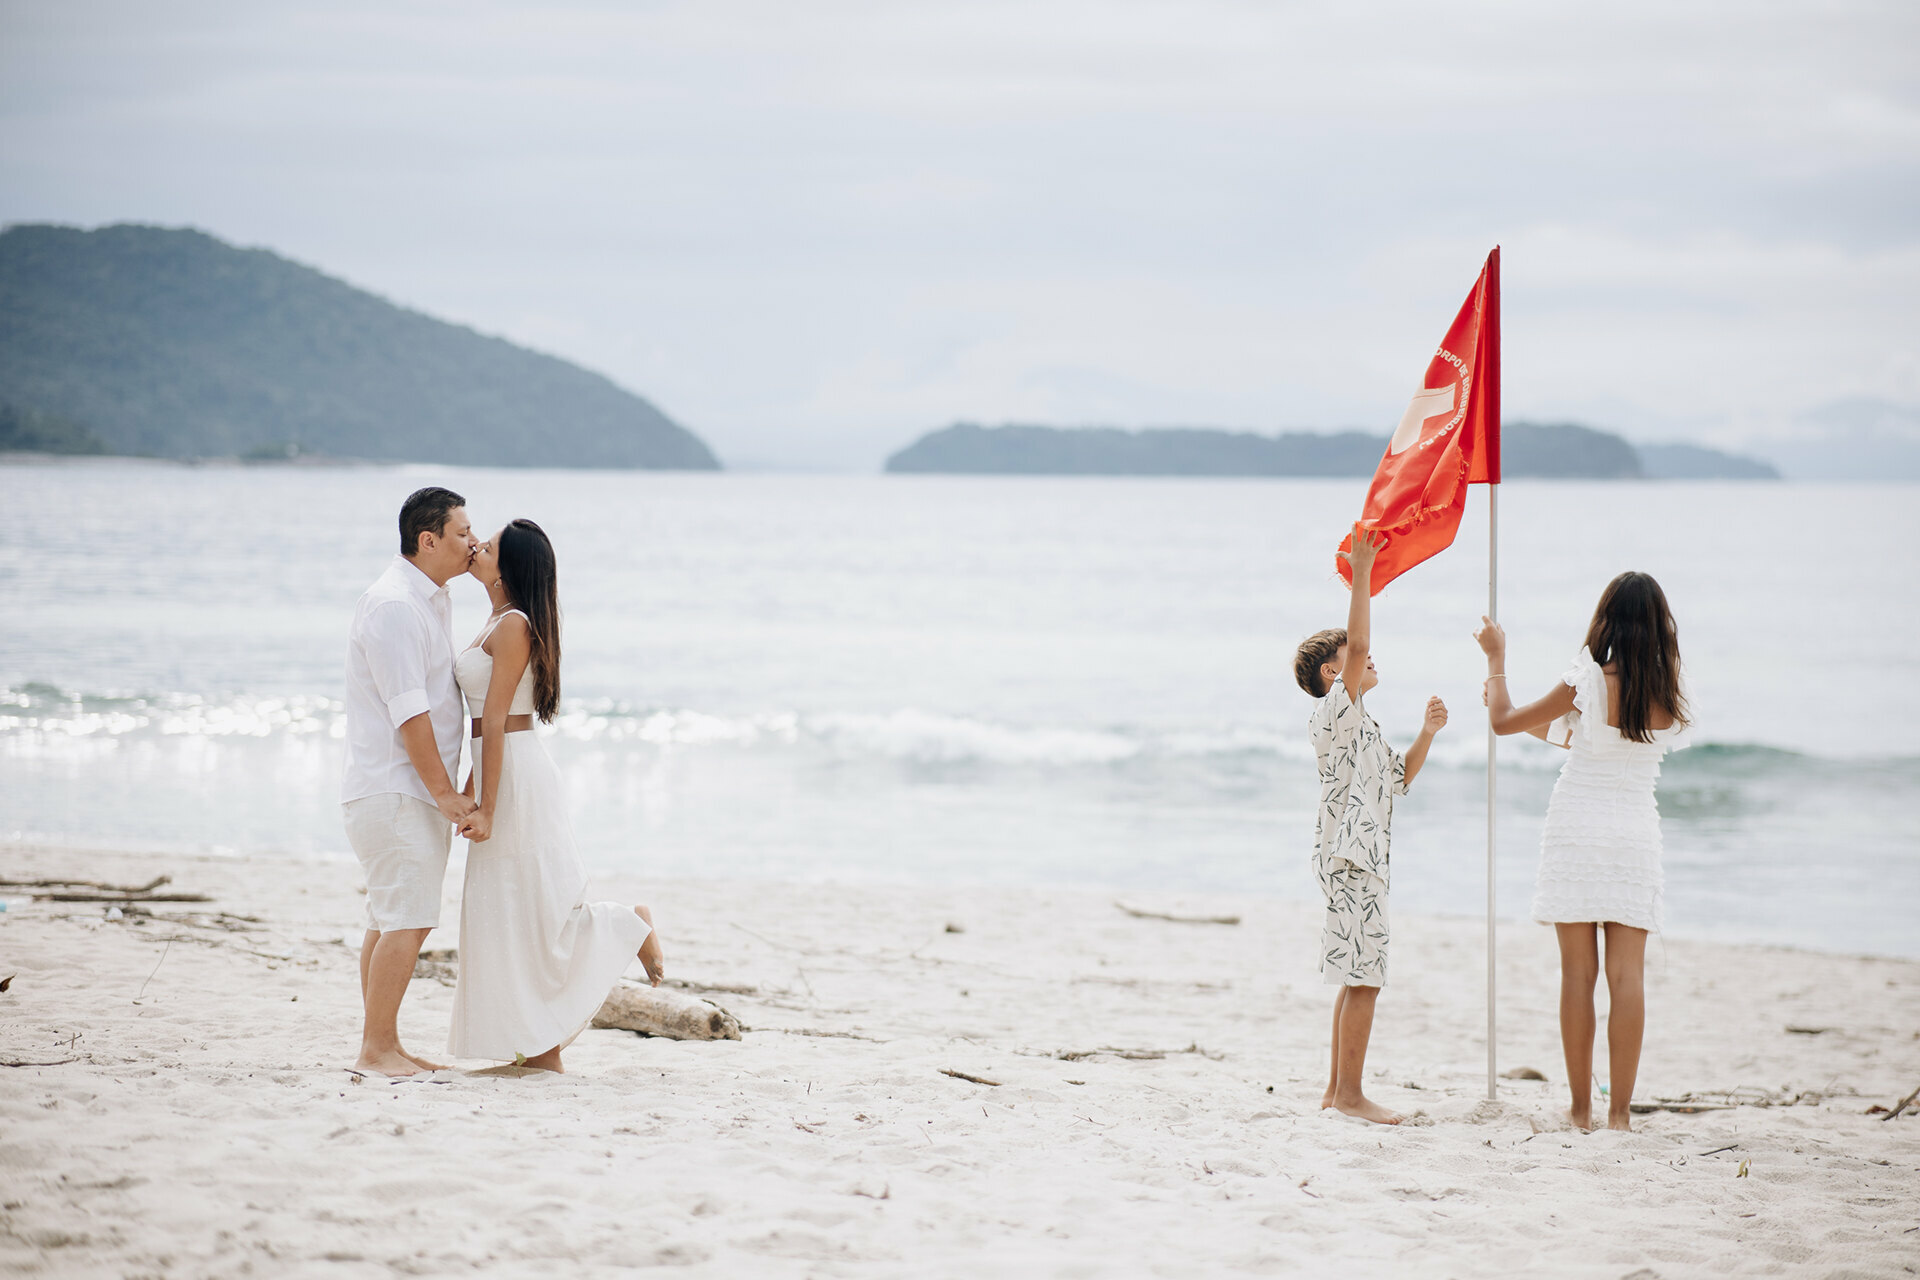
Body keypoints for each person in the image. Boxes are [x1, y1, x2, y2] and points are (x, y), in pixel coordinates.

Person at [448, 518, 666, 1072]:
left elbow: (495, 720)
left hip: (518, 777)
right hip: (503, 768)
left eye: (489, 546)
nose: (476, 547)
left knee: (530, 911)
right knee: (509, 912)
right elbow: (482, 727)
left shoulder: (514, 624)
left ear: (511, 565)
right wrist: (469, 792)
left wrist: (488, 806)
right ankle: (539, 1055)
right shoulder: (494, 620)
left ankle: (626, 923)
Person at [1475, 571, 1690, 1132]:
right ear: (1659, 624)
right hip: (1634, 835)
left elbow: (1502, 720)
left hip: (1577, 828)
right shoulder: (1665, 693)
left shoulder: (1587, 680)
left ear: (1607, 618)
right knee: (1628, 978)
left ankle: (1579, 1110)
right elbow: (1589, 738)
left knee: (1577, 974)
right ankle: (1620, 1115)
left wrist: (1497, 663)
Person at [1293, 525, 1448, 1125]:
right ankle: (1351, 1096)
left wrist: (1427, 735)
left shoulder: (1363, 729)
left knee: (1356, 975)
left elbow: (1400, 781)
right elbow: (1358, 646)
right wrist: (1362, 574)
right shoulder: (1334, 716)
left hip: (1361, 860)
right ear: (1334, 677)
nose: (1366, 660)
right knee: (1365, 978)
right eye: (1350, 661)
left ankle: (1338, 1092)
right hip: (1351, 862)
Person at [342, 486, 479, 1077]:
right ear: (429, 540)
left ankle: (386, 1042)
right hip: (398, 786)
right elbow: (410, 712)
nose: (473, 541)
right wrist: (447, 793)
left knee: (391, 916)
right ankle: (375, 1050)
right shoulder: (395, 605)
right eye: (462, 533)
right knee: (409, 917)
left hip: (403, 788)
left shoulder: (430, 599)